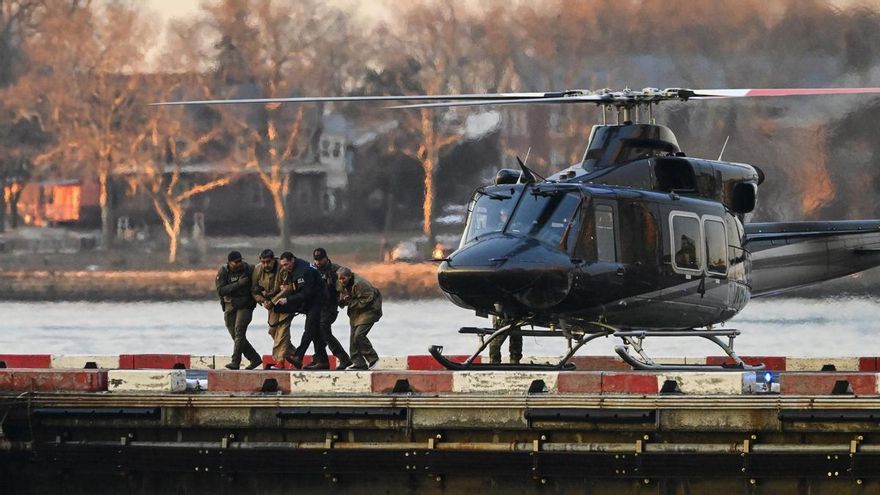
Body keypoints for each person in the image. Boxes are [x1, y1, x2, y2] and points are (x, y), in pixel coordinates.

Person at [291, 248, 353, 370]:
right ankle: (321, 360)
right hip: (315, 307)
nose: (318, 262)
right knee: (314, 330)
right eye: (316, 260)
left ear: (326, 258)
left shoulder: (335, 270)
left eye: (320, 260)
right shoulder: (311, 270)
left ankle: (343, 357)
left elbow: (346, 285)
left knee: (323, 329)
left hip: (329, 306)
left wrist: (343, 298)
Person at [272, 251, 329, 369]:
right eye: (282, 265)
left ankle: (298, 356)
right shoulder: (294, 269)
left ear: (292, 260)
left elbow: (305, 293)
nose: (284, 267)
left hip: (318, 301)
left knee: (309, 329)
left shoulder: (303, 271)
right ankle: (322, 361)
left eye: (286, 264)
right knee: (315, 332)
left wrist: (288, 300)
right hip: (311, 302)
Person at [215, 250, 262, 370]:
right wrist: (239, 284)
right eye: (236, 262)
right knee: (235, 335)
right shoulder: (223, 271)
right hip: (230, 305)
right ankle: (254, 358)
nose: (239, 263)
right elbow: (221, 290)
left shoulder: (249, 269)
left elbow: (257, 285)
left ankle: (235, 361)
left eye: (240, 260)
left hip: (245, 305)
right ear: (229, 263)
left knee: (239, 331)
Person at [336, 266, 382, 370]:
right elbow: (341, 295)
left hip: (370, 309)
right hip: (355, 312)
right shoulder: (340, 283)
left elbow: (368, 299)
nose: (341, 281)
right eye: (339, 278)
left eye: (343, 278)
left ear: (349, 276)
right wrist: (342, 301)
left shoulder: (360, 284)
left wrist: (351, 301)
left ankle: (373, 358)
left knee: (359, 335)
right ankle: (358, 363)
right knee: (353, 337)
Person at [251, 249, 285, 368]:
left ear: (273, 260)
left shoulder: (282, 267)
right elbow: (254, 290)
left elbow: (288, 288)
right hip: (270, 304)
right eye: (263, 262)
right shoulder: (258, 269)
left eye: (268, 262)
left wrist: (274, 301)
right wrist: (263, 300)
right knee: (273, 331)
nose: (266, 265)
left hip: (285, 302)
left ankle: (280, 361)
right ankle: (294, 355)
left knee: (283, 331)